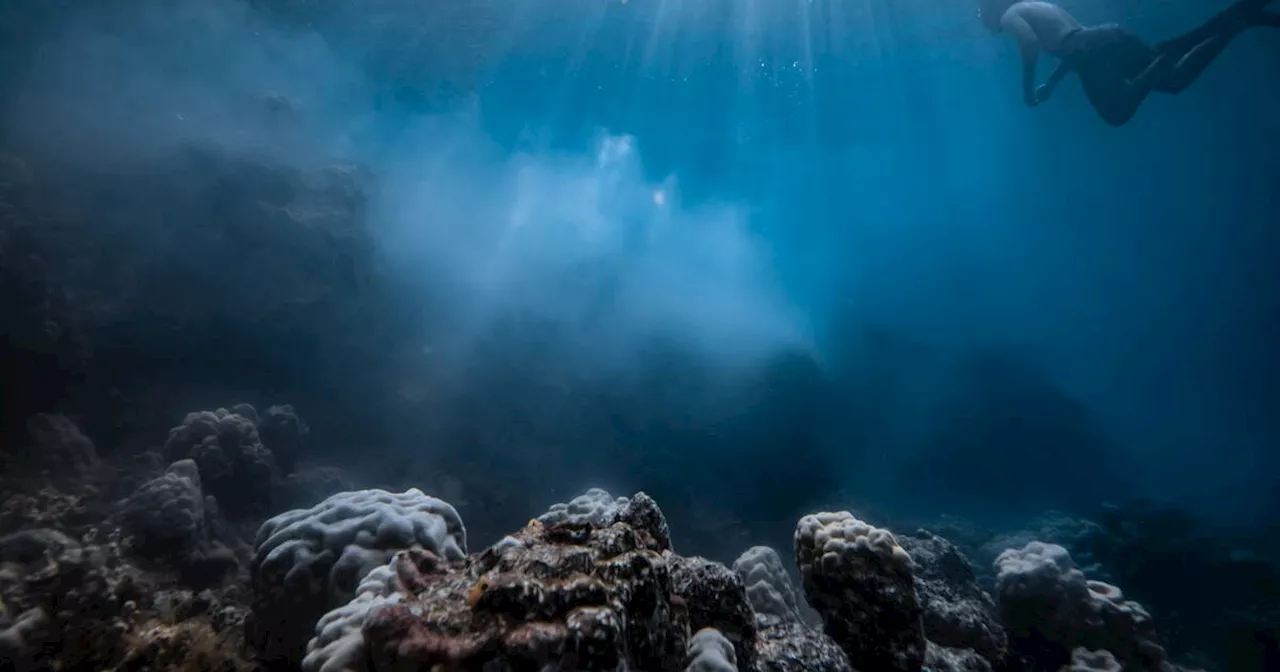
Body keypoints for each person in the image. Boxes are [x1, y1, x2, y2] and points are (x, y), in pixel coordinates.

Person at [979, 0, 1280, 126]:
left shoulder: (1010, 15)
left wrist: (1027, 92)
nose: (981, 18)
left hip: (1091, 51)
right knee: (1174, 81)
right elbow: (1073, 43)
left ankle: (1164, 55)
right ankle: (1240, 21)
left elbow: (1031, 44)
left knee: (1116, 112)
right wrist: (1053, 84)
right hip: (1106, 38)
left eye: (981, 10)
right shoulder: (1038, 4)